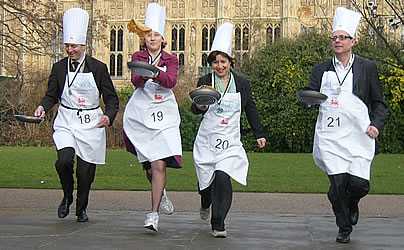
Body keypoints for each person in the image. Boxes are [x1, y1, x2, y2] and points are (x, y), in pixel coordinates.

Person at [307, 7, 388, 243]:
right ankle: (344, 228)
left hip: (358, 136)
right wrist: (308, 101)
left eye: (342, 37)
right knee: (339, 181)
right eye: (334, 37)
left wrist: (376, 124)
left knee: (359, 185)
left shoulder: (367, 68)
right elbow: (311, 98)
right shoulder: (320, 69)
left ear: (353, 41)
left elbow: (380, 104)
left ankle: (351, 201)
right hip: (330, 137)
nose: (337, 41)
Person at [34, 8, 119, 222]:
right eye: (67, 46)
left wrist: (109, 115)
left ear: (83, 46)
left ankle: (81, 208)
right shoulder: (59, 67)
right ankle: (66, 195)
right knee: (63, 161)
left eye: (73, 46)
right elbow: (51, 95)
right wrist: (43, 106)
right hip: (66, 120)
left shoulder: (98, 68)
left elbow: (111, 98)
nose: (69, 50)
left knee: (85, 172)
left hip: (91, 123)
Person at [191, 23, 266, 238]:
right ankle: (205, 200)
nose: (219, 66)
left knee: (223, 177)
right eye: (215, 62)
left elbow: (250, 108)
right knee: (206, 185)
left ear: (231, 62)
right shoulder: (205, 81)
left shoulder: (241, 83)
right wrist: (200, 106)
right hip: (207, 138)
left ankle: (219, 222)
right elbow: (195, 107)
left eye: (223, 61)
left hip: (230, 139)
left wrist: (258, 133)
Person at [123, 2, 182, 232]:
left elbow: (171, 82)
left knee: (159, 163)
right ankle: (162, 191)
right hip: (142, 115)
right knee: (150, 168)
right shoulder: (138, 56)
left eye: (156, 35)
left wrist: (156, 72)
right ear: (144, 38)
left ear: (163, 39)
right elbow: (135, 81)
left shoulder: (171, 60)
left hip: (164, 115)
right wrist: (145, 72)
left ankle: (153, 214)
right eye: (149, 35)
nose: (152, 38)